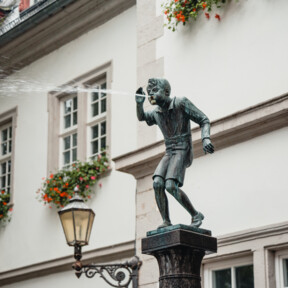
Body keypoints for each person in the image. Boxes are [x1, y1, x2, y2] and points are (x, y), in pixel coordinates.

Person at [135, 78, 214, 229]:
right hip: (169, 150)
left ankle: (195, 215)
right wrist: (139, 104)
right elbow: (142, 117)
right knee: (157, 183)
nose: (151, 95)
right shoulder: (156, 112)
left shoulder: (180, 103)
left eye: (154, 91)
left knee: (170, 185)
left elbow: (204, 120)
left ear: (166, 92)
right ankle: (166, 221)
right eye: (149, 93)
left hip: (183, 149)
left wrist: (205, 139)